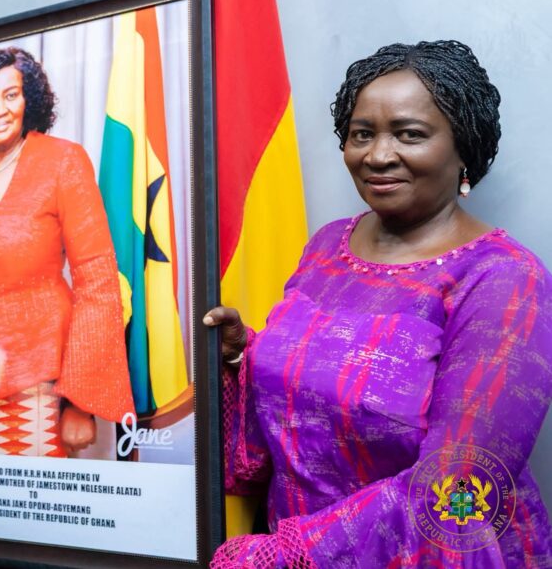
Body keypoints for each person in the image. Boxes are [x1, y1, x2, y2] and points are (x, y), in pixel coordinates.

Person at [206, 40, 552, 567]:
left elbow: (463, 487)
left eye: (409, 134)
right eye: (361, 134)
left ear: (465, 148)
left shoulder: (503, 277)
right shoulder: (328, 244)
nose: (378, 154)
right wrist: (242, 358)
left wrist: (289, 555)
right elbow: (313, 400)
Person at [0, 46, 134, 457]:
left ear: (29, 99)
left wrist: (80, 405)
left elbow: (98, 282)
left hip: (39, 393)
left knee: (31, 515)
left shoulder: (63, 162)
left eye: (10, 95)